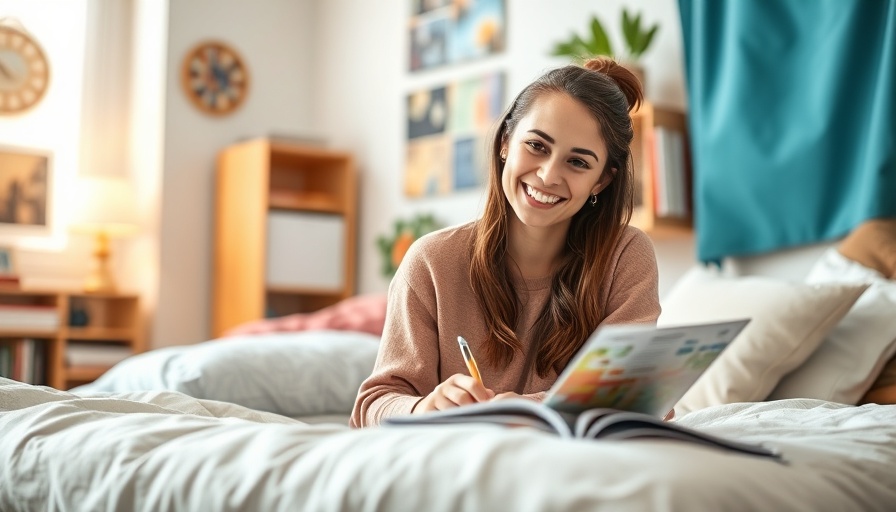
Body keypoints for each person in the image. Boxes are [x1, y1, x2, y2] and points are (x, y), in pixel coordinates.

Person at [350, 57, 661, 428]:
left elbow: (633, 394)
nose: (548, 175)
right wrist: (421, 408)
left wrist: (522, 411)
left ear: (601, 182)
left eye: (577, 163)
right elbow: (373, 406)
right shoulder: (431, 262)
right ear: (504, 143)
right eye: (536, 146)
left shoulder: (625, 256)